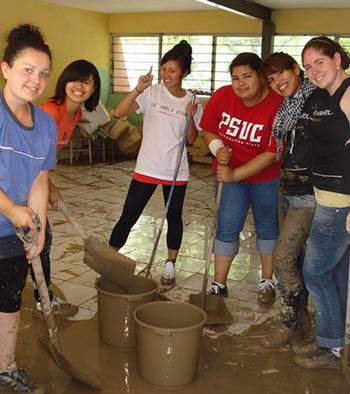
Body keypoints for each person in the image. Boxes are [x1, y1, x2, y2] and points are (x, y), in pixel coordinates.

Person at [109, 40, 201, 286]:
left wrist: (191, 116)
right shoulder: (151, 93)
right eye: (164, 69)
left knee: (174, 217)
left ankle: (170, 265)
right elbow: (118, 113)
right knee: (129, 215)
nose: (166, 74)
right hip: (147, 168)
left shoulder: (191, 100)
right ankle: (110, 259)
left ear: (184, 72)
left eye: (172, 70)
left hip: (176, 171)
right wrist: (138, 89)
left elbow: (191, 139)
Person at [0, 24, 57, 394]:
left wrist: (36, 225)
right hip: (9, 217)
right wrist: (12, 210)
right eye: (27, 70)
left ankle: (5, 366)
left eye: (43, 73)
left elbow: (40, 179)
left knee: (8, 299)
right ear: (5, 68)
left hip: (11, 232)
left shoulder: (46, 125)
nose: (36, 81)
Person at [200, 53, 283, 305]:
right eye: (235, 78)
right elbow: (209, 129)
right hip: (229, 176)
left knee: (267, 226)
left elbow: (272, 153)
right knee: (226, 226)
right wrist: (218, 150)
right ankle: (219, 284)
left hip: (265, 177)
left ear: (261, 76)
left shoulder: (278, 104)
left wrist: (235, 173)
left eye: (247, 76)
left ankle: (266, 280)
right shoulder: (223, 96)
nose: (240, 84)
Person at [292, 37, 350, 369]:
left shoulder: (347, 92)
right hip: (326, 194)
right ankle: (337, 341)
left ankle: (328, 348)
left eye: (320, 63)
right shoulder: (321, 95)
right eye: (308, 66)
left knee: (314, 272)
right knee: (335, 272)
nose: (314, 71)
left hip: (340, 200)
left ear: (338, 59)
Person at [30, 59, 101, 318]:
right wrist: (49, 187)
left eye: (87, 82)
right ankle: (44, 299)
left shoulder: (76, 114)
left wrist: (49, 186)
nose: (79, 86)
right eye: (75, 79)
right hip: (19, 178)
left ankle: (43, 296)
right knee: (40, 239)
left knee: (38, 239)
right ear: (64, 81)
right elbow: (31, 158)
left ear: (94, 89)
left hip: (36, 179)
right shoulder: (51, 112)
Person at [259, 53, 318, 348]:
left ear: (296, 69)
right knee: (296, 258)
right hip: (288, 189)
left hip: (312, 194)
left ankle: (293, 322)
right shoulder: (286, 108)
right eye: (271, 80)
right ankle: (302, 321)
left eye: (281, 74)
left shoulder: (319, 99)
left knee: (282, 256)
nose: (277, 83)